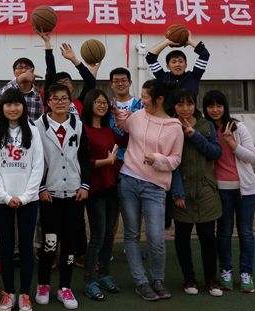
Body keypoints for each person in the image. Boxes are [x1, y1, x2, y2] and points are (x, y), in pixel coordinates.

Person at [113, 79, 183, 301]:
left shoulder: (174, 127)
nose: (141, 100)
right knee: (131, 234)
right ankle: (141, 282)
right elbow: (124, 125)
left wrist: (158, 159)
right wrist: (118, 114)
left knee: (156, 237)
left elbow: (176, 160)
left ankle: (158, 280)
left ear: (159, 99)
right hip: (128, 180)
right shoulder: (137, 116)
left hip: (155, 187)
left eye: (145, 97)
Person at [0, 88, 44, 311]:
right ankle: (9, 293)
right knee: (7, 248)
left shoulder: (33, 130)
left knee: (27, 248)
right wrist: (5, 196)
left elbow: (38, 165)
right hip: (2, 200)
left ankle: (25, 294)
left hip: (28, 200)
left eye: (17, 104)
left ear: (23, 106)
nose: (13, 108)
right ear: (2, 107)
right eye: (8, 104)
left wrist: (27, 196)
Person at [34, 83, 91, 310]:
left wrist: (84, 185)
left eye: (64, 98)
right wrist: (40, 188)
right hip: (50, 194)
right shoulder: (37, 126)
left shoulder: (78, 125)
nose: (59, 102)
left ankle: (65, 287)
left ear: (70, 101)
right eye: (55, 98)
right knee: (49, 243)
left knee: (69, 243)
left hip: (74, 193)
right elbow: (34, 161)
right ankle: (43, 284)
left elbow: (85, 158)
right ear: (48, 102)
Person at [203, 90, 255, 294]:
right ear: (205, 109)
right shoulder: (206, 129)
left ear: (225, 107)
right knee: (224, 232)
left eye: (219, 105)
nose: (215, 110)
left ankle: (246, 274)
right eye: (210, 106)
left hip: (246, 190)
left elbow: (251, 157)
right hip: (221, 190)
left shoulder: (237, 127)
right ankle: (225, 271)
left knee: (246, 232)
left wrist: (232, 144)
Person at [169, 88, 223, 297]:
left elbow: (216, 153)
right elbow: (171, 162)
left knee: (208, 238)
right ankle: (188, 278)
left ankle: (211, 279)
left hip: (205, 190)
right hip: (181, 192)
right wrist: (177, 192)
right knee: (182, 238)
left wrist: (195, 136)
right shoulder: (170, 126)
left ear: (195, 105)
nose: (185, 108)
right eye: (180, 104)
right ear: (174, 106)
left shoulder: (205, 125)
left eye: (189, 103)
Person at [80, 89, 128, 302]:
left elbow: (125, 140)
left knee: (109, 234)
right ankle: (89, 280)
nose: (102, 105)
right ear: (89, 104)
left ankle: (104, 274)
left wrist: (119, 116)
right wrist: (105, 162)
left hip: (112, 187)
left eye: (104, 102)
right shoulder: (83, 130)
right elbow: (81, 161)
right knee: (98, 235)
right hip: (94, 189)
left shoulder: (109, 129)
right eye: (98, 102)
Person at [145, 33, 210, 114]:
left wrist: (190, 41)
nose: (177, 64)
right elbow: (150, 57)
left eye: (180, 61)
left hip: (190, 118)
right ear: (168, 66)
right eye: (173, 62)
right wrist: (166, 42)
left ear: (186, 65)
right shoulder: (162, 77)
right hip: (168, 119)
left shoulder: (194, 76)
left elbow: (205, 54)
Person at [38, 31, 97, 118]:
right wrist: (47, 43)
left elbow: (90, 81)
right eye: (60, 83)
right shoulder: (50, 102)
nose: (64, 85)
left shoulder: (80, 102)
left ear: (72, 87)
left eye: (66, 82)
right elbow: (50, 71)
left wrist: (74, 59)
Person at [0, 58, 44, 122]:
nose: (23, 70)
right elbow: (0, 96)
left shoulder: (39, 94)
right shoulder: (9, 90)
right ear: (14, 72)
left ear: (32, 71)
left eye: (27, 67)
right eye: (20, 67)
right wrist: (20, 79)